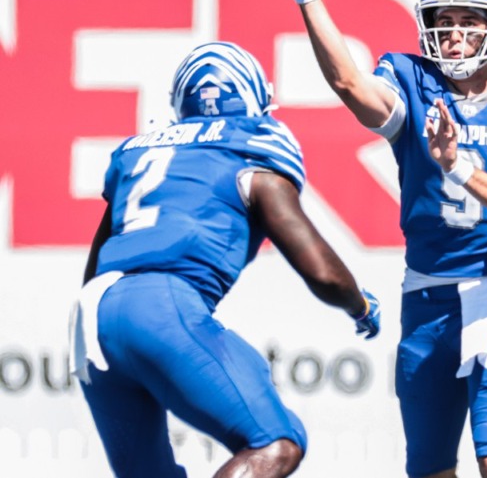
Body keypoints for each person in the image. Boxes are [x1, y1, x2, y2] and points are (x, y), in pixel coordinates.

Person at [277, 0, 487, 478]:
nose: (456, 32)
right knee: (430, 469)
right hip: (428, 294)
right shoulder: (411, 79)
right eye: (446, 20)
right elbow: (349, 82)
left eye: (469, 20)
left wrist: (457, 165)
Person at [70, 41, 381, 478]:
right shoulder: (250, 150)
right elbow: (322, 272)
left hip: (93, 318)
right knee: (274, 442)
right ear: (254, 97)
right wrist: (360, 304)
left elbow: (97, 262)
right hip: (163, 306)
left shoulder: (138, 152)